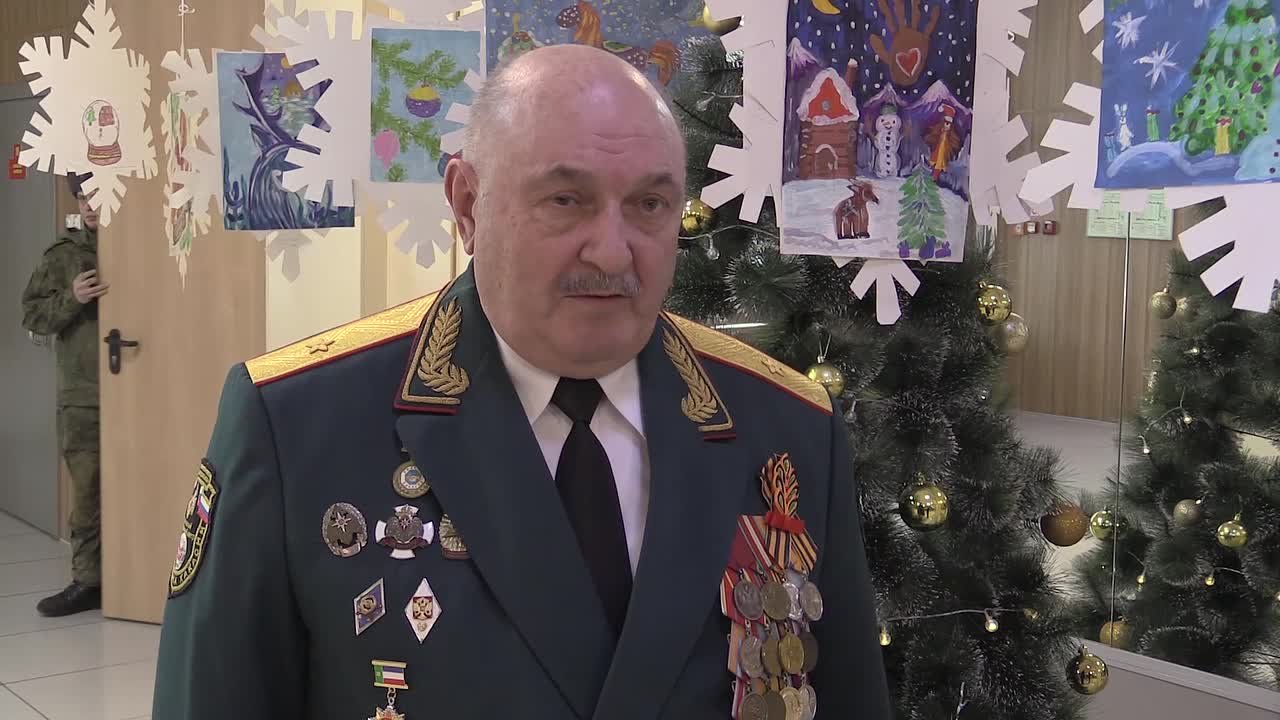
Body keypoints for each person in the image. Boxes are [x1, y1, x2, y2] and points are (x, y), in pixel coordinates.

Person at [152, 44, 891, 719]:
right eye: (566, 200)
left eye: (649, 204)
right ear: (467, 205)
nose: (612, 252)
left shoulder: (787, 427)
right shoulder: (295, 424)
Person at [21, 172, 107, 617]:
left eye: (98, 195)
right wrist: (72, 298)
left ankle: (143, 576)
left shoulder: (142, 248)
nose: (90, 205)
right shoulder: (64, 254)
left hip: (140, 391)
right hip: (83, 394)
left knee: (144, 482)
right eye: (83, 197)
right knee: (88, 492)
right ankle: (87, 581)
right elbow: (33, 315)